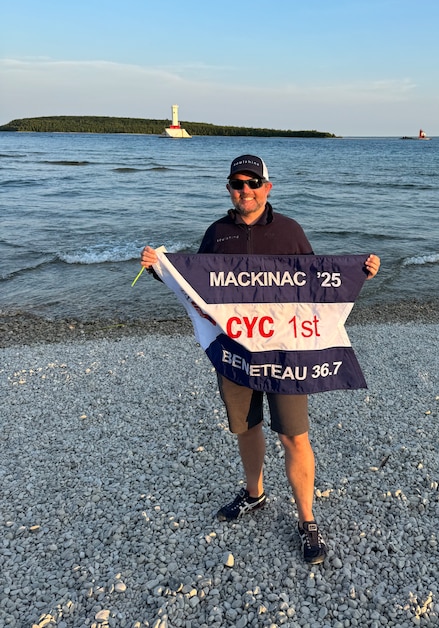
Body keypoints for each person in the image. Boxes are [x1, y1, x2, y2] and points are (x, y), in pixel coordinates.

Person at [141, 154, 380, 564]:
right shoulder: (217, 234)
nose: (245, 191)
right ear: (229, 188)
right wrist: (158, 269)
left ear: (268, 187)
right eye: (237, 183)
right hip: (234, 355)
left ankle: (306, 518)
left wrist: (360, 272)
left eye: (253, 183)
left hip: (286, 353)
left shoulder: (290, 231)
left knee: (293, 435)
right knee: (246, 428)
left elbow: (315, 287)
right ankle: (254, 493)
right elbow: (196, 287)